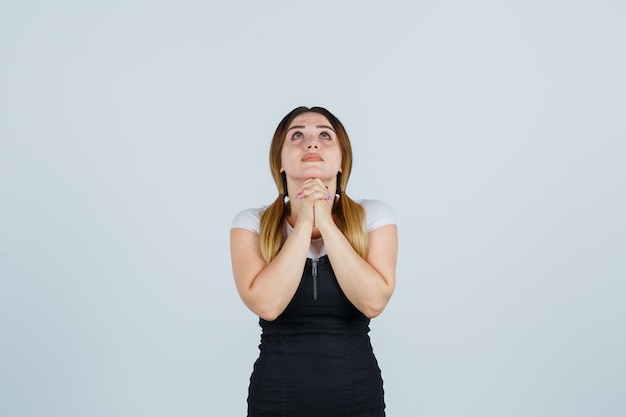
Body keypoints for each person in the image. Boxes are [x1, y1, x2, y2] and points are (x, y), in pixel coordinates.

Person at [230, 106, 398, 417]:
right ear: (279, 161)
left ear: (342, 160)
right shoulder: (250, 224)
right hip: (275, 402)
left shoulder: (374, 216)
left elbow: (373, 302)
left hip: (358, 399)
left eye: (324, 134)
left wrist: (326, 221)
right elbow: (268, 305)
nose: (311, 143)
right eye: (297, 135)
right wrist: (305, 222)